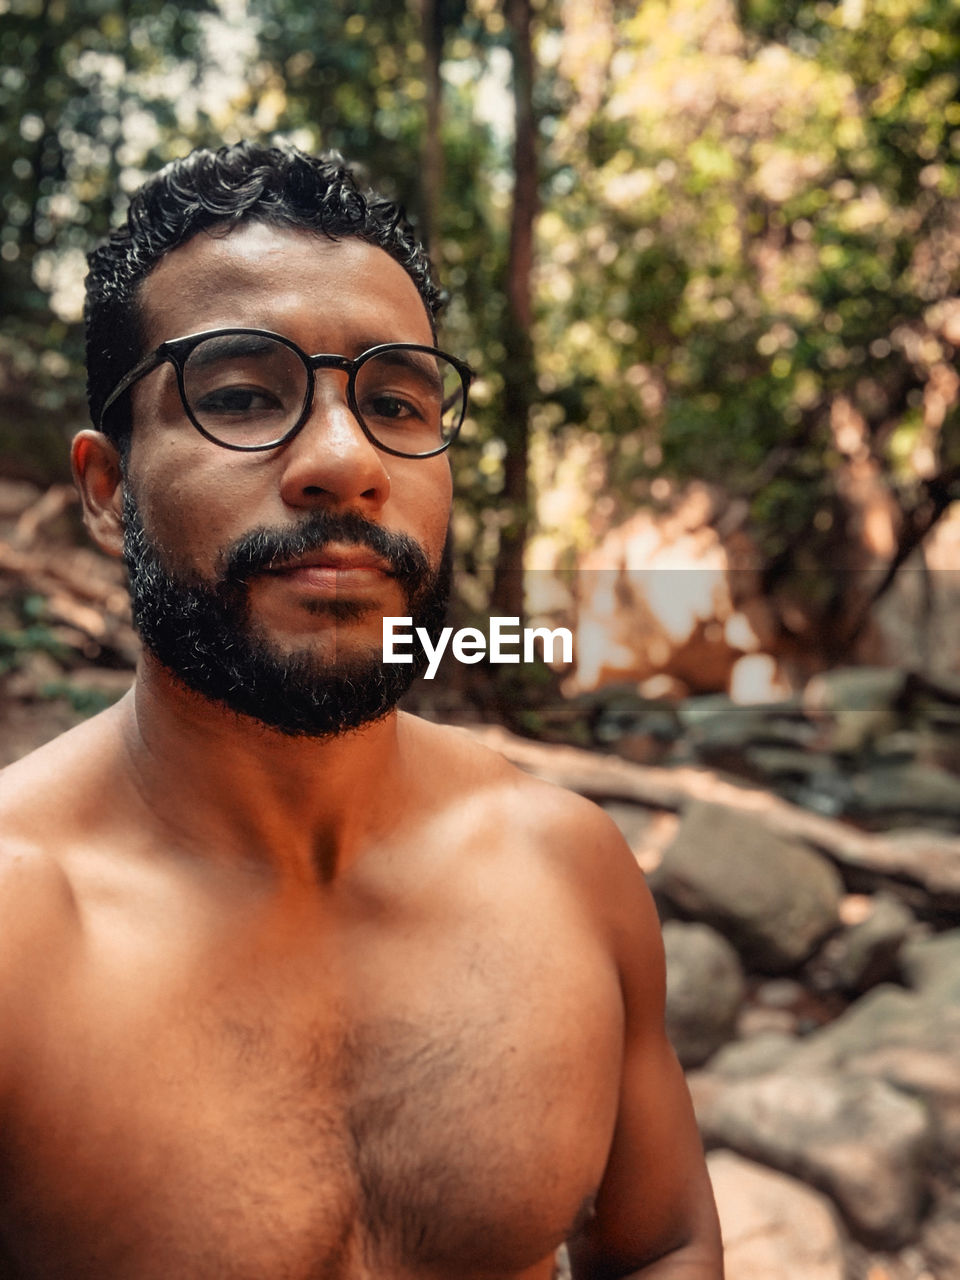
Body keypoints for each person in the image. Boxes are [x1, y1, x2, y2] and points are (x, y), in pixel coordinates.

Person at [0, 142, 723, 1279]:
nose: (346, 462)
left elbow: (664, 1241)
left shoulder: (568, 864)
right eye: (240, 394)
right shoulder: (19, 934)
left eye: (394, 402)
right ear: (107, 488)